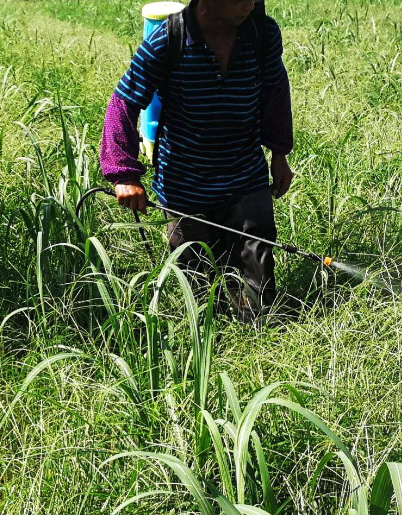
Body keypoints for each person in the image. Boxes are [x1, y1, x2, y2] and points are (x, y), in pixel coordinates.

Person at [100, 0, 294, 321]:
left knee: (258, 276)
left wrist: (279, 155)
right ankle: (211, 346)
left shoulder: (262, 33)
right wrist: (124, 175)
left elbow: (275, 90)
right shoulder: (168, 40)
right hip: (185, 184)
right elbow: (123, 101)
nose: (250, 5)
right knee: (202, 287)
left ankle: (258, 340)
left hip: (246, 173)